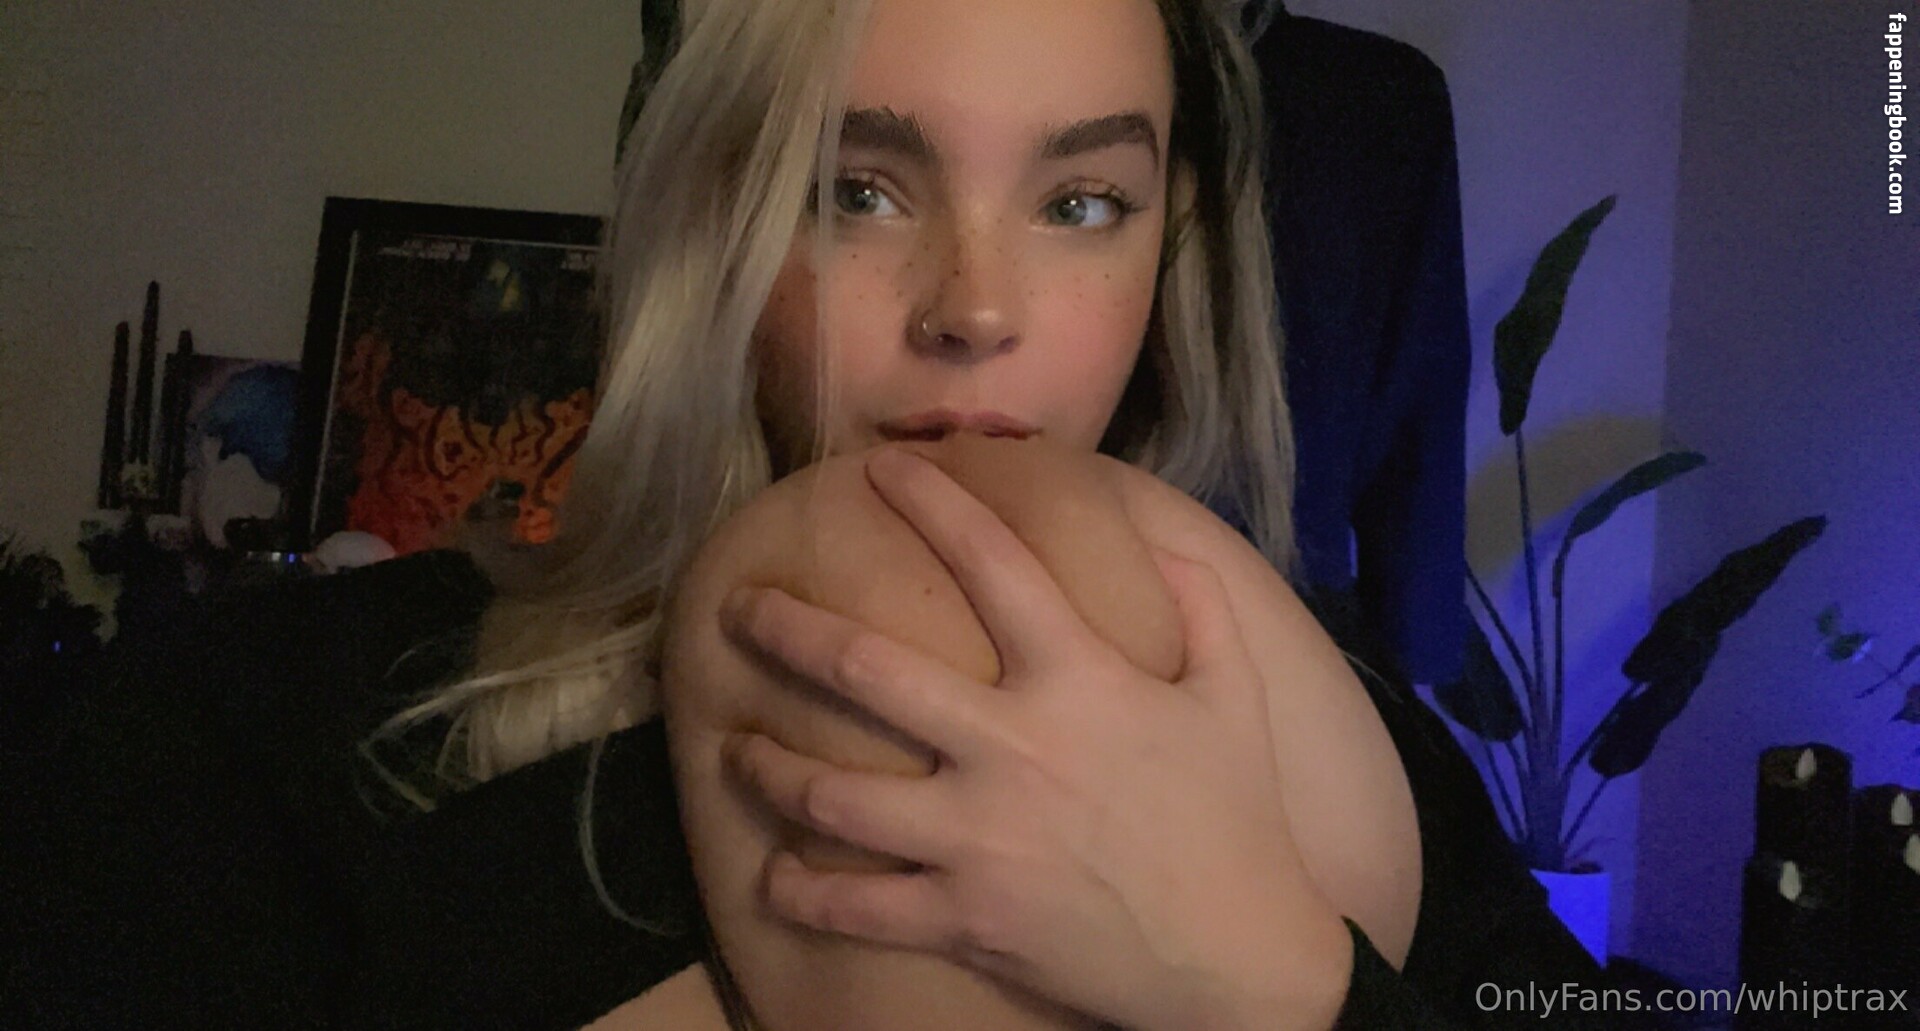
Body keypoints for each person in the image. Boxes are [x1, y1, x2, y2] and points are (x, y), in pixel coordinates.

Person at [1, 0, 1656, 1028]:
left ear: (1171, 251)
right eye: (854, 189)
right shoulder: (259, 731)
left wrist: (1280, 986)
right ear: (713, 212)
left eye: (1083, 202)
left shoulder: (1337, 715)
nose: (976, 310)